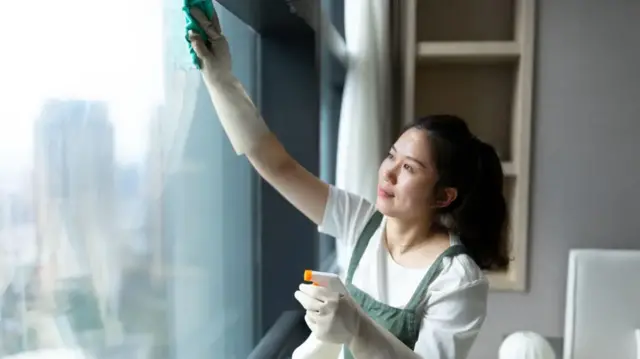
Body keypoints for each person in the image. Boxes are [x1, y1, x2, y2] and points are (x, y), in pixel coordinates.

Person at [186, 6, 509, 359]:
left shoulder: (458, 280)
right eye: (391, 156)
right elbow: (279, 167)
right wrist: (220, 79)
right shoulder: (362, 222)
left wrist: (357, 327)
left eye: (410, 168)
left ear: (444, 196)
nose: (388, 172)